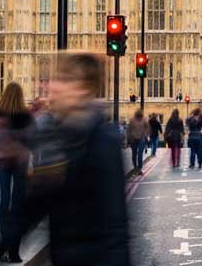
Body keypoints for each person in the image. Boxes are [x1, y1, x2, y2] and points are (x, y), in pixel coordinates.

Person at [9, 52, 130, 265]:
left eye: (63, 79)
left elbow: (115, 226)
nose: (52, 85)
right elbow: (35, 206)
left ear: (83, 88)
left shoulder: (103, 141)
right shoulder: (56, 135)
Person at [0, 82, 34, 263]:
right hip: (20, 160)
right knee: (18, 202)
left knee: (4, 199)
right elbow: (32, 139)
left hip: (2, 159)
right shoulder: (25, 114)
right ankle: (14, 251)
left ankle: (6, 242)